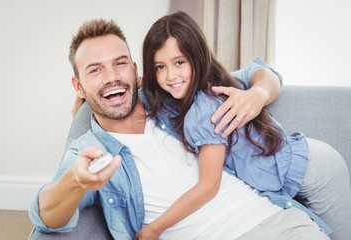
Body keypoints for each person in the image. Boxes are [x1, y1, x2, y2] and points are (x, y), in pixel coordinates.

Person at [28, 18, 331, 240]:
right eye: (95, 70)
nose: (111, 77)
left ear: (136, 71)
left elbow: (256, 72)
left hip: (276, 223)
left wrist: (258, 94)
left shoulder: (173, 96)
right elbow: (47, 217)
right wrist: (75, 182)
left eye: (120, 64)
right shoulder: (88, 151)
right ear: (78, 86)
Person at [139, 11, 351, 240]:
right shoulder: (199, 93)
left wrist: (155, 228)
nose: (170, 76)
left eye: (179, 62)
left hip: (316, 171)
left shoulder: (205, 107)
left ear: (198, 57)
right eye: (160, 67)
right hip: (295, 172)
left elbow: (209, 186)